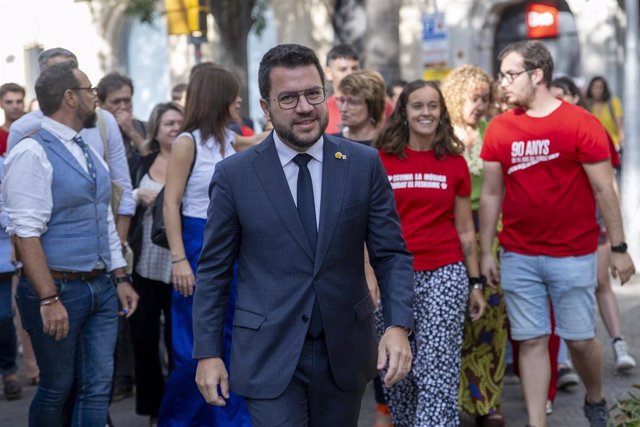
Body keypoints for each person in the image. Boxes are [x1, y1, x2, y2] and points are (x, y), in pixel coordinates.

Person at [192, 43, 414, 427]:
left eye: (313, 93)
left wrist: (397, 325)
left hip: (343, 349)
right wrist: (207, 352)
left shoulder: (362, 164)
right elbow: (213, 271)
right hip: (268, 352)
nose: (305, 107)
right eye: (289, 97)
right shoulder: (235, 175)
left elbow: (391, 254)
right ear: (265, 108)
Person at [480, 41, 635, 427]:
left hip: (573, 254)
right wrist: (486, 252)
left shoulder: (581, 123)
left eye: (510, 74)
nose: (504, 83)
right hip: (519, 254)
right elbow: (491, 193)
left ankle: (595, 398)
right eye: (502, 75)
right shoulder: (501, 127)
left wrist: (618, 248)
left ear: (538, 75)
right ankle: (537, 423)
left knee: (581, 341)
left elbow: (605, 190)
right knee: (531, 341)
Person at [4, 61, 139, 426]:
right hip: (58, 289)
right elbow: (25, 231)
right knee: (58, 386)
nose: (95, 99)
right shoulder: (31, 153)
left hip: (100, 285)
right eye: (89, 92)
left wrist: (120, 276)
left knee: (97, 386)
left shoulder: (87, 148)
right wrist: (48, 298)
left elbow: (102, 219)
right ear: (70, 98)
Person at [375, 79, 485, 426]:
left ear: (441, 112)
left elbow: (466, 228)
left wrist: (476, 281)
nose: (426, 112)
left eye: (433, 106)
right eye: (417, 105)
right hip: (392, 276)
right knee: (396, 372)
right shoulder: (381, 160)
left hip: (444, 271)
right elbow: (366, 225)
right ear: (404, 112)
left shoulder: (453, 162)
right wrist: (367, 275)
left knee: (437, 367)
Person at [159, 65, 252, 427]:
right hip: (196, 244)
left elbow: (262, 140)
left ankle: (230, 420)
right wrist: (179, 259)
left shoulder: (230, 138)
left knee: (230, 340)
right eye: (234, 93)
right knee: (193, 346)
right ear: (218, 98)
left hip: (232, 245)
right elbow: (171, 203)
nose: (240, 100)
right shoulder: (188, 142)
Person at [550, 77, 635, 375]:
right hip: (559, 230)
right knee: (560, 292)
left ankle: (618, 343)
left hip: (594, 222)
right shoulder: (546, 130)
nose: (555, 101)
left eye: (561, 95)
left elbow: (607, 184)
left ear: (575, 97)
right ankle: (563, 360)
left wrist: (617, 241)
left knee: (600, 283)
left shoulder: (591, 127)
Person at [441, 64, 508, 426]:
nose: (480, 105)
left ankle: (487, 402)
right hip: (451, 231)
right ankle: (453, 397)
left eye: (485, 98)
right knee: (456, 319)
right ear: (455, 97)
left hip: (488, 230)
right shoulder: (441, 134)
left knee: (492, 317)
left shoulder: (491, 130)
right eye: (474, 98)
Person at [127, 102, 183, 425]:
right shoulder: (141, 163)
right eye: (168, 124)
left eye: (179, 122)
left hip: (179, 267)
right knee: (144, 342)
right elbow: (122, 203)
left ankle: (178, 407)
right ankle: (153, 411)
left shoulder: (190, 163)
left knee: (178, 344)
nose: (174, 128)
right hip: (144, 266)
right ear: (156, 131)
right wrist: (136, 196)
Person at [0, 158, 21, 400]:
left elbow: (12, 207)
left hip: (3, 255)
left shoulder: (5, 164)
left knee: (4, 316)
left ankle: (8, 371)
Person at [97, 71, 148, 163]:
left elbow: (154, 162)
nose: (123, 107)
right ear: (101, 104)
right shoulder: (93, 131)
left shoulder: (146, 128)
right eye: (116, 102)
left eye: (127, 100)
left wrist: (132, 132)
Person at [333, 69, 386, 145]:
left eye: (352, 102)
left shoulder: (388, 145)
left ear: (372, 105)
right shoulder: (332, 143)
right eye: (342, 100)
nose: (343, 108)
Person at [324, 44, 360, 133]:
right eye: (343, 69)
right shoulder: (322, 112)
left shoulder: (379, 104)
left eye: (354, 68)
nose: (350, 74)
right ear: (328, 73)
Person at [585, 76, 623, 151]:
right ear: (590, 89)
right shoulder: (587, 105)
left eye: (600, 87)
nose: (598, 90)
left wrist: (621, 144)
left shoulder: (613, 103)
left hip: (612, 145)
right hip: (593, 145)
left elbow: (620, 127)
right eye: (595, 87)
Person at [0, 83, 25, 155]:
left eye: (19, 101)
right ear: (1, 104)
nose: (15, 106)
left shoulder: (35, 133)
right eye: (9, 102)